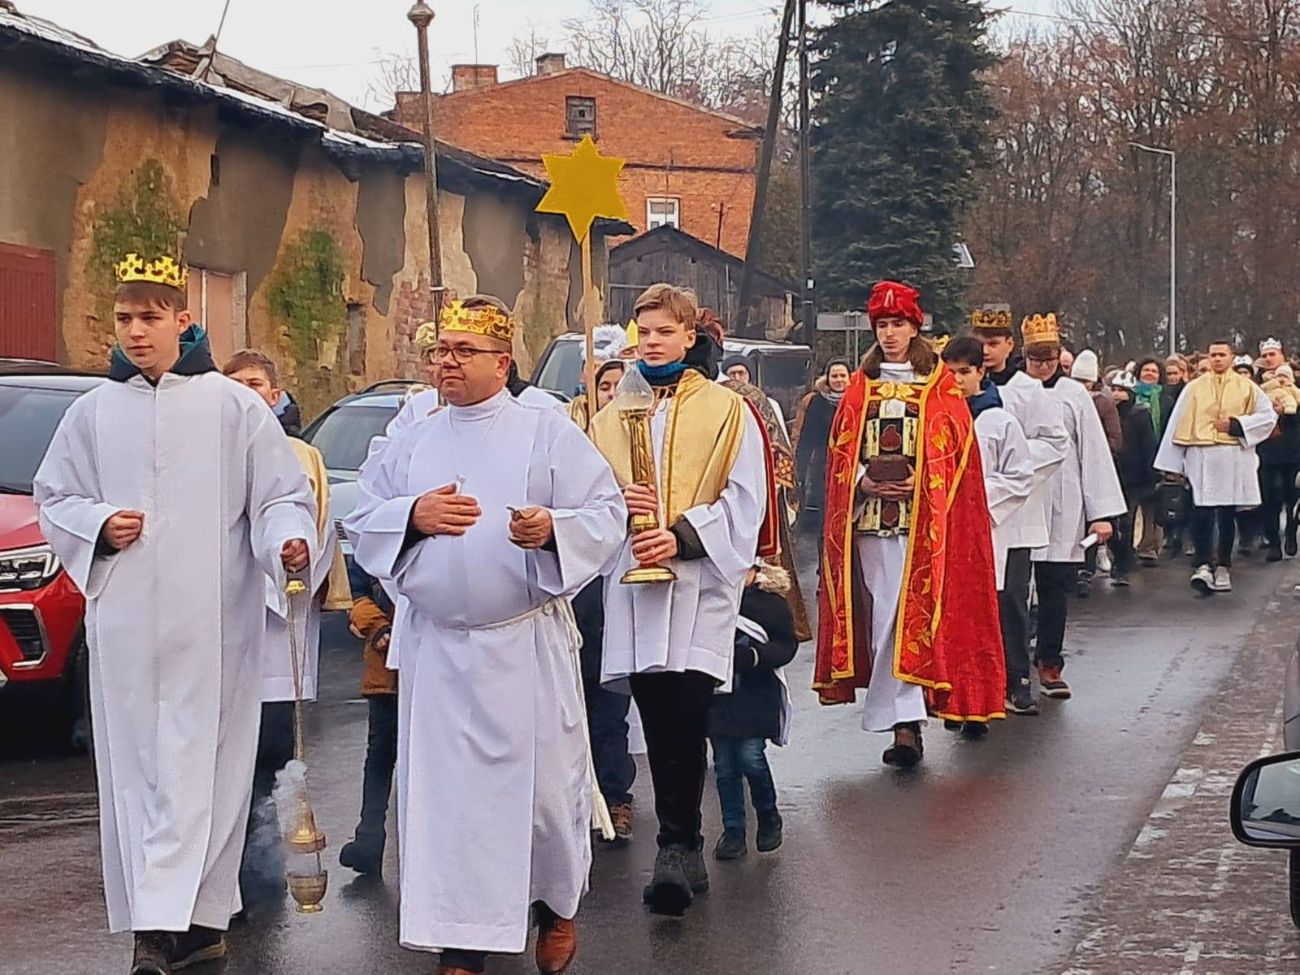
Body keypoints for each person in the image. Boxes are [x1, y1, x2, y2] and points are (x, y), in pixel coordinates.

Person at [33, 252, 315, 975]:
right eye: (124, 317)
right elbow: (55, 496)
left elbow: (278, 492)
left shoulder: (233, 407)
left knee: (201, 770)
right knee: (140, 773)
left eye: (150, 316)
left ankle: (177, 923)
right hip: (127, 629)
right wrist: (98, 523)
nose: (136, 330)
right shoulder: (92, 411)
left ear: (183, 320)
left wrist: (287, 537)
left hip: (211, 626)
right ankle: (167, 923)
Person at [345, 294, 627, 975]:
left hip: (521, 648)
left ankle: (554, 908)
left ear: (502, 362)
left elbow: (605, 510)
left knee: (539, 801)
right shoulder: (414, 435)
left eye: (463, 351)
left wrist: (550, 530)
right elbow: (361, 516)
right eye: (440, 350)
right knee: (451, 807)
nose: (446, 362)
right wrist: (413, 514)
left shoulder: (545, 429)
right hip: (441, 652)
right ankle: (460, 943)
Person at [589, 283, 769, 917]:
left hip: (696, 584)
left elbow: (748, 498)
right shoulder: (609, 414)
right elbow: (589, 499)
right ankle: (680, 843)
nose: (651, 342)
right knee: (655, 709)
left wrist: (682, 536)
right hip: (634, 583)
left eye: (664, 331)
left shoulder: (724, 410)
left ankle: (678, 844)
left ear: (689, 336)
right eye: (643, 331)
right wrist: (620, 513)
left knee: (688, 710)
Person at [814, 282, 1005, 766]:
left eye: (898, 324)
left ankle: (907, 721)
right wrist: (864, 481)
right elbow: (840, 453)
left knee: (914, 617)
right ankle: (904, 723)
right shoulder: (861, 387)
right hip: (873, 523)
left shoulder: (940, 386)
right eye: (882, 325)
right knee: (884, 620)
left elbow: (958, 454)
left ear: (914, 328)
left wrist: (923, 481)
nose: (890, 333)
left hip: (926, 526)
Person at [223, 350, 352, 907]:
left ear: (276, 394)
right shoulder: (209, 453)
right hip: (220, 624)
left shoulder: (300, 456)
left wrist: (286, 567)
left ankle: (259, 862)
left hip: (279, 632)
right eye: (236, 387)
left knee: (270, 747)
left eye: (256, 384)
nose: (248, 396)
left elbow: (313, 531)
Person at [1020, 313, 1125, 700]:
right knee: (1013, 589)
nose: (1043, 366)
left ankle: (1049, 659)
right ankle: (1011, 664)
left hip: (1063, 501)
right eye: (1035, 359)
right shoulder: (1015, 392)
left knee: (1053, 586)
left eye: (1049, 359)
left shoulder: (1075, 396)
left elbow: (1093, 452)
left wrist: (1100, 514)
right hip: (1018, 500)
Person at [970, 308, 1068, 716]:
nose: (988, 351)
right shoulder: (964, 387)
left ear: (1011, 346)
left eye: (995, 343)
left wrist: (1011, 461)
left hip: (1014, 510)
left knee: (1010, 597)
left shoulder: (1028, 390)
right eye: (982, 343)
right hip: (970, 512)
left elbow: (1056, 442)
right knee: (976, 599)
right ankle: (976, 682)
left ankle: (1016, 678)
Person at [940, 336, 1036, 713]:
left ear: (982, 371)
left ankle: (1016, 680)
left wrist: (976, 496)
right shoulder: (940, 419)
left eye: (965, 372)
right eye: (950, 373)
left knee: (1006, 603)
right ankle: (962, 690)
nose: (958, 380)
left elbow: (1020, 476)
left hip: (996, 529)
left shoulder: (999, 420)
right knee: (960, 611)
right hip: (950, 529)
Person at [571, 355, 639, 845]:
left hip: (617, 584)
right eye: (605, 385)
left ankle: (616, 795)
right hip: (574, 587)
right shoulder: (574, 437)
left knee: (607, 707)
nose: (613, 393)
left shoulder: (638, 439)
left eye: (621, 385)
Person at [1157, 341, 1277, 594]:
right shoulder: (1194, 388)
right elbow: (1176, 424)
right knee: (1201, 512)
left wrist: (1237, 425)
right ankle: (1202, 563)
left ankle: (1223, 564)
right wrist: (1173, 463)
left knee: (1225, 512)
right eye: (1213, 355)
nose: (1217, 359)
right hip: (1201, 454)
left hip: (1232, 455)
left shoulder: (1247, 387)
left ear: (1231, 357)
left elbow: (1267, 416)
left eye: (1222, 355)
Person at [708, 560, 797, 861]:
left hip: (755, 695)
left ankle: (768, 814)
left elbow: (786, 644)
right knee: (724, 767)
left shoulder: (768, 603)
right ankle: (733, 830)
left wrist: (756, 657)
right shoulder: (710, 600)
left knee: (750, 756)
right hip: (718, 697)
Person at [337, 561, 398, 875]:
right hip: (386, 670)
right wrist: (377, 627)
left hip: (436, 669)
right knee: (379, 756)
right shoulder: (377, 530)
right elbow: (356, 591)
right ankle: (369, 838)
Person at [1108, 373, 1160, 586]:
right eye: (1114, 389)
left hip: (1134, 476)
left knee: (1127, 520)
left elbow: (1148, 445)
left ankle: (1124, 563)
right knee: (1111, 521)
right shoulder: (1106, 413)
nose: (1117, 395)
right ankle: (1119, 554)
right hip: (1111, 474)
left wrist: (1151, 473)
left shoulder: (1139, 415)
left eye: (1122, 390)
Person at [793, 358, 852, 537]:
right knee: (822, 520)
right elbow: (806, 438)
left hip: (850, 464)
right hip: (822, 466)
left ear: (850, 378)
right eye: (834, 376)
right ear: (827, 378)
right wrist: (800, 471)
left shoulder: (856, 400)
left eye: (843, 375)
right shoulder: (816, 402)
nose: (839, 380)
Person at [1257, 341, 1300, 561]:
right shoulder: (1257, 384)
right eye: (1265, 355)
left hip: (1293, 448)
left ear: (1281, 356)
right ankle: (1273, 542)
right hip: (1267, 449)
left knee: (1292, 495)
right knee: (1269, 497)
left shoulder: (1296, 381)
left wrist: (1289, 412)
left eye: (1272, 354)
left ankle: (1291, 532)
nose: (1268, 358)